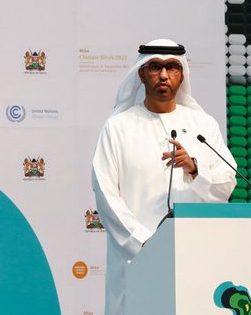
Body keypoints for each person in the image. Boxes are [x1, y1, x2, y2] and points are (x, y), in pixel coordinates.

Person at [91, 38, 237, 315]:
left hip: (196, 255)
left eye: (172, 67)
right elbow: (105, 192)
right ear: (141, 74)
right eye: (155, 67)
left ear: (182, 75)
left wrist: (196, 169)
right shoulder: (118, 127)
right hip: (137, 257)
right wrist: (144, 243)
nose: (163, 75)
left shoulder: (203, 125)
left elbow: (227, 182)